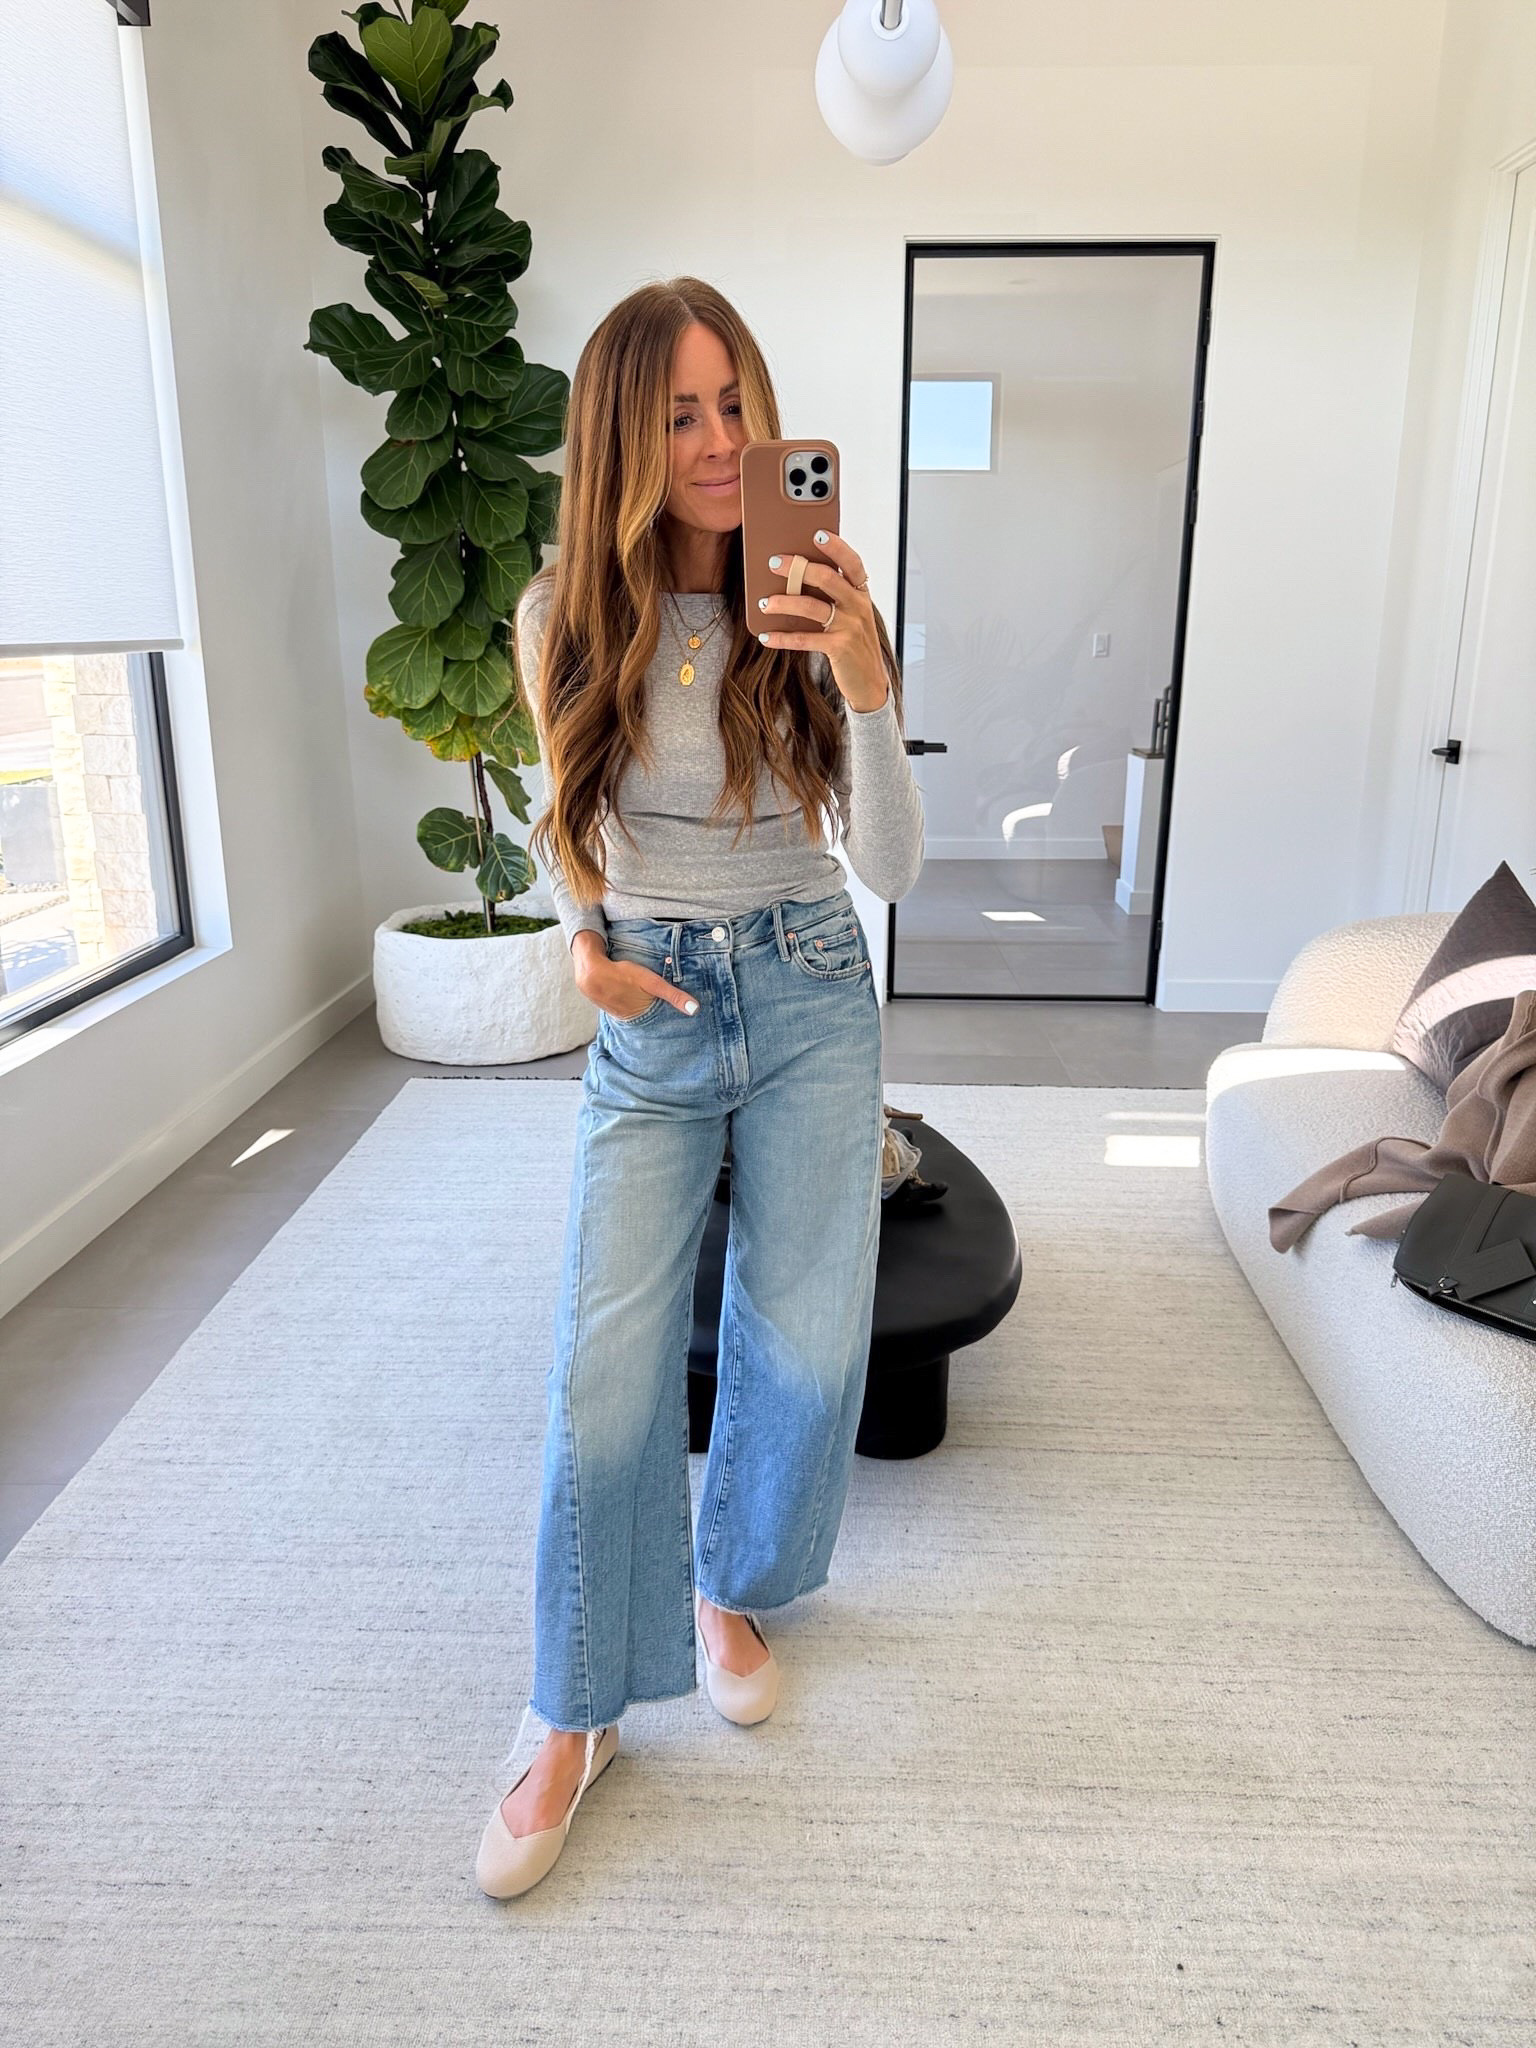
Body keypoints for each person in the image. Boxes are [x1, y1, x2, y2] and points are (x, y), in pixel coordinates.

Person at [475, 278, 924, 1899]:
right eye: (681, 414)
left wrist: (868, 683)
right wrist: (584, 945)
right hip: (653, 1008)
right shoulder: (559, 614)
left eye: (736, 403)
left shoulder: (810, 595)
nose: (724, 442)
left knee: (808, 1347)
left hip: (810, 983)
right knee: (602, 1373)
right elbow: (563, 816)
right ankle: (573, 1707)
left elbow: (888, 865)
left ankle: (727, 1583)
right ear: (622, 435)